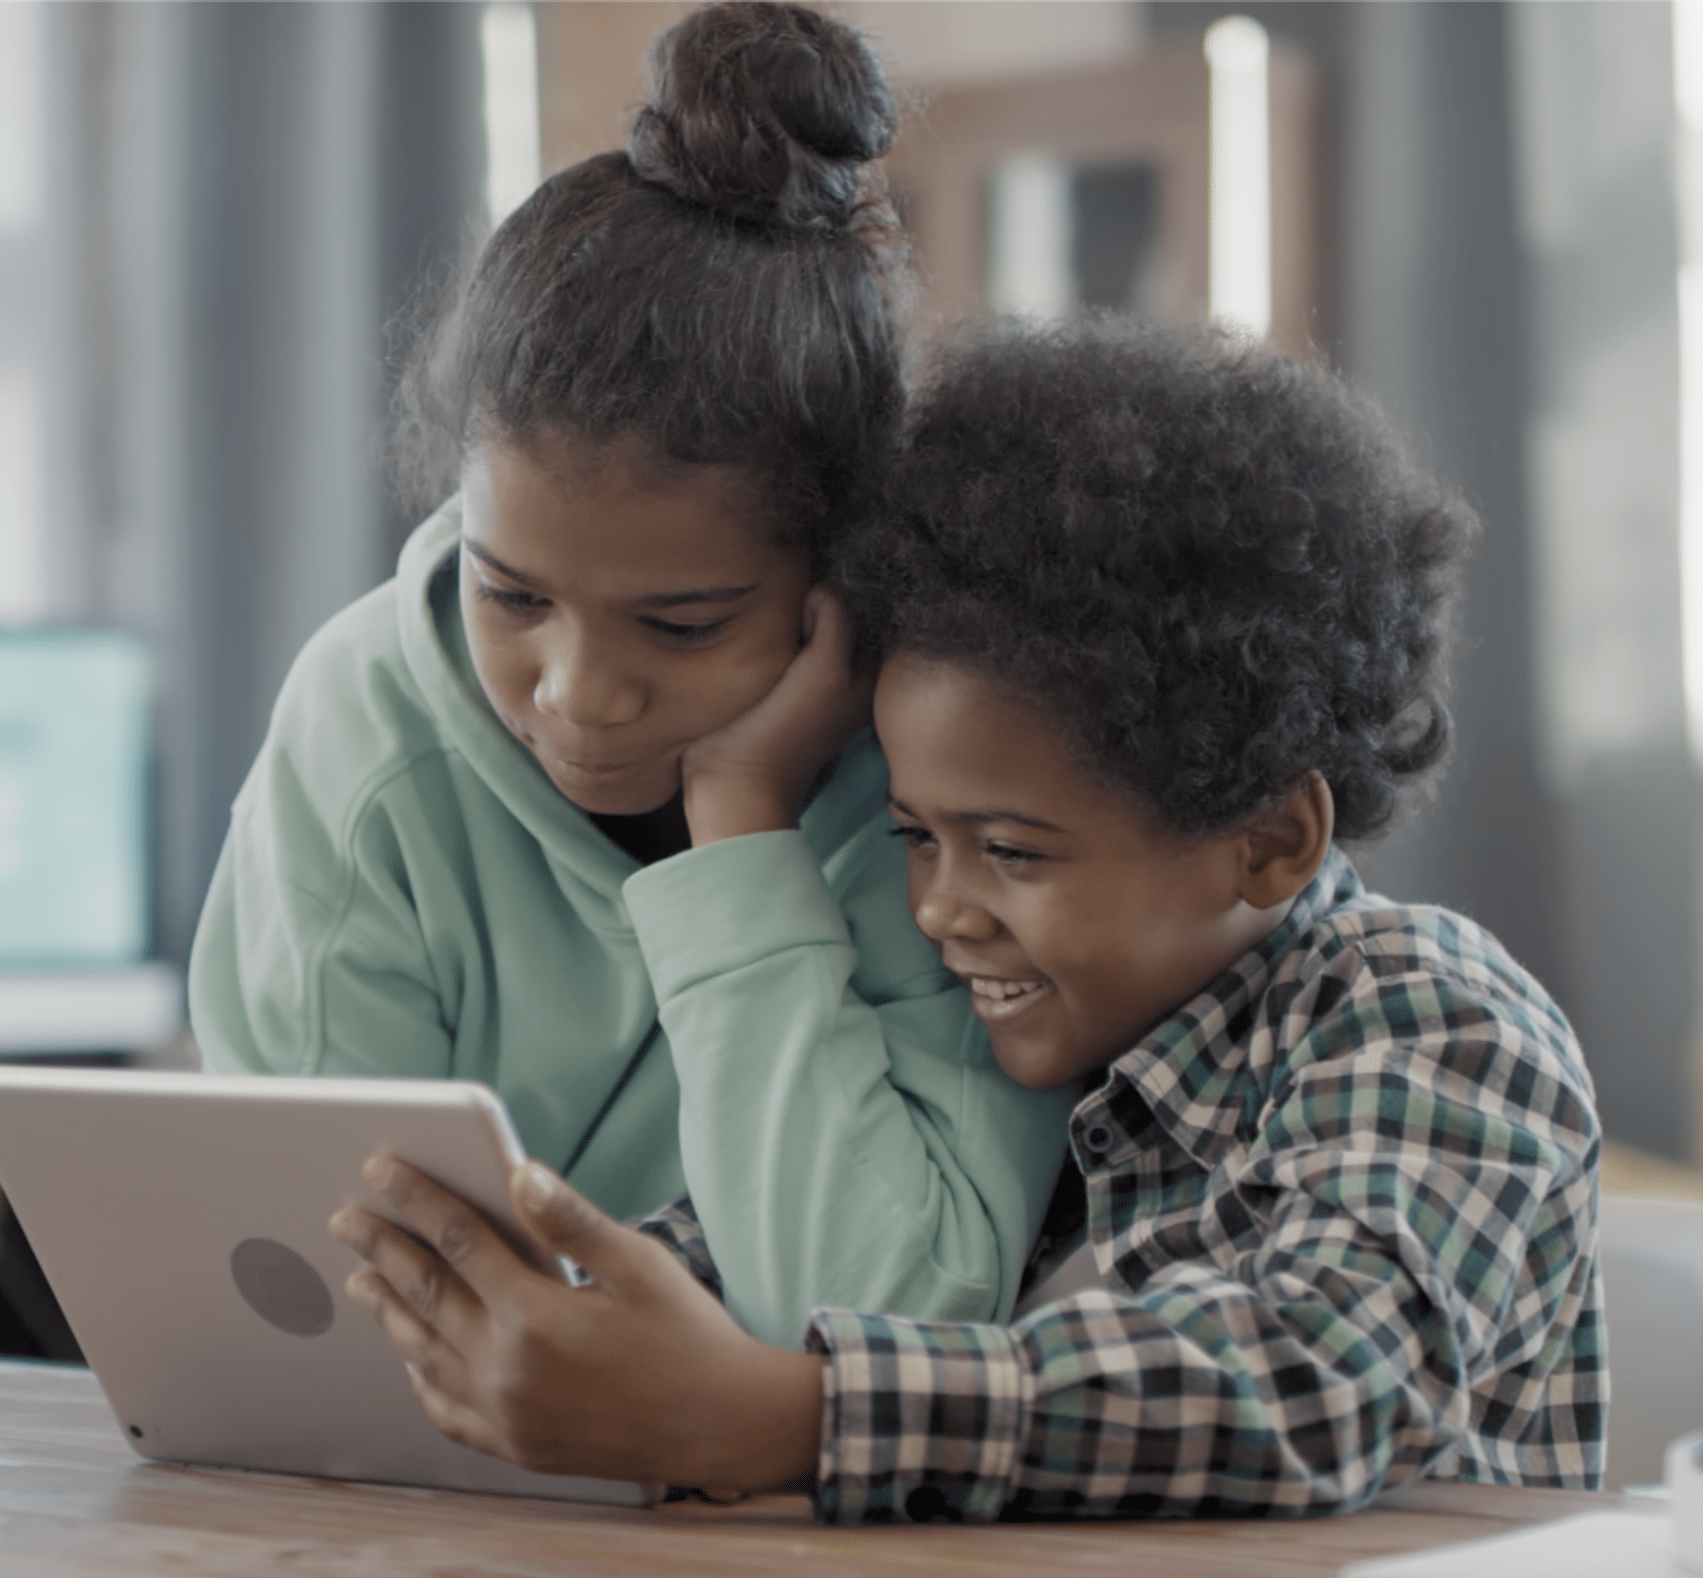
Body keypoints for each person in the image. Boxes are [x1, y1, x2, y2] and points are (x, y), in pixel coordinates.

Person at [329, 317, 1608, 1520]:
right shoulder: (1004, 1040)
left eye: (1011, 851)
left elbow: (1320, 1384)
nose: (940, 907)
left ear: (1269, 840)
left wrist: (793, 1417)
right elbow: (721, 1271)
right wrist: (543, 1332)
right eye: (915, 835)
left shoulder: (1428, 1022)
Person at [189, 0, 1078, 1349]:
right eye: (514, 595)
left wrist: (740, 842)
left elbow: (901, 1319)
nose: (575, 695)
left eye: (681, 623)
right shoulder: (359, 722)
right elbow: (327, 1320)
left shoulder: (944, 783)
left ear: (844, 576)